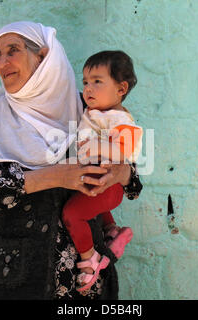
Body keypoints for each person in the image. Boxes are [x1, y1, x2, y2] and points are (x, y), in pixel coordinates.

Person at [0, 21, 142, 300]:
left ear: (42, 56)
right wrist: (58, 175)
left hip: (84, 277)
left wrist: (120, 173)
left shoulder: (87, 109)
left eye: (12, 50)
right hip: (18, 271)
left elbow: (134, 183)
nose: (2, 62)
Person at [62, 51, 143, 292]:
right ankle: (111, 231)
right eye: (85, 82)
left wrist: (98, 146)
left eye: (97, 81)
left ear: (121, 89)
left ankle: (90, 262)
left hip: (108, 185)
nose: (88, 88)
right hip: (97, 180)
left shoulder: (119, 118)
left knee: (72, 214)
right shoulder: (95, 111)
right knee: (90, 201)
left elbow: (128, 153)